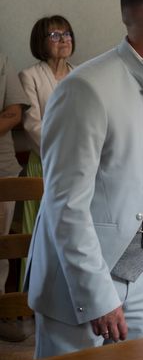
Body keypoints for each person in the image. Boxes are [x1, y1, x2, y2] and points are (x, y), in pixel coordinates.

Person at [24, 0, 143, 358]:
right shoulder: (86, 89)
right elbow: (64, 204)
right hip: (81, 285)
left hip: (142, 276)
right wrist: (97, 294)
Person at [19, 16, 75, 243]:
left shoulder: (81, 74)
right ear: (40, 42)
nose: (63, 39)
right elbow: (32, 124)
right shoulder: (29, 76)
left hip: (78, 161)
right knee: (41, 231)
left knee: (71, 228)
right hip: (45, 160)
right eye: (55, 35)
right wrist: (62, 150)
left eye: (67, 34)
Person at [0, 54, 29, 342]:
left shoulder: (2, 62)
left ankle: (2, 313)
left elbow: (13, 113)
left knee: (2, 246)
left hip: (1, 168)